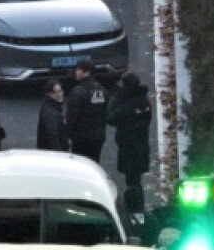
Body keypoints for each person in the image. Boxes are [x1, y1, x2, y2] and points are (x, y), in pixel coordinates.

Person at [108, 71, 154, 213]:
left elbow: (111, 117)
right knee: (136, 180)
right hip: (142, 145)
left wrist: (117, 98)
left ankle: (136, 209)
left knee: (132, 181)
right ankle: (140, 208)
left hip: (129, 147)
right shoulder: (144, 102)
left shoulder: (127, 106)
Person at [64, 62, 108, 162]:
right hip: (98, 135)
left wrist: (69, 135)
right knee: (95, 162)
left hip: (81, 137)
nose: (76, 72)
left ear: (86, 73)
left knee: (81, 163)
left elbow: (72, 117)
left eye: (78, 70)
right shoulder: (102, 90)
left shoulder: (78, 91)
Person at [37, 80, 70, 151]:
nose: (59, 95)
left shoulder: (54, 106)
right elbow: (53, 135)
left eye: (60, 91)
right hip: (52, 153)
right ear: (48, 94)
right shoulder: (49, 112)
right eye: (54, 93)